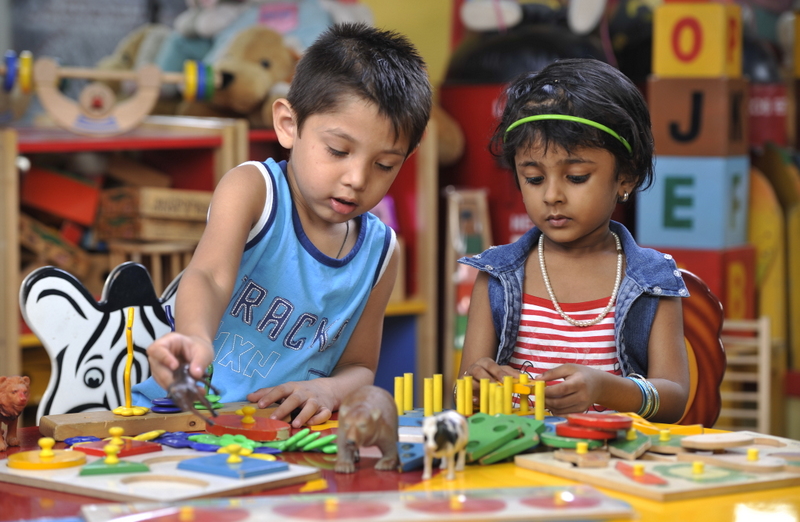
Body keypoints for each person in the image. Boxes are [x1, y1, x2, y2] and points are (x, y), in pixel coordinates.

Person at [132, 23, 432, 428]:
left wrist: (328, 390)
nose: (357, 179)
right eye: (337, 150)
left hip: (280, 436)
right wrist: (195, 338)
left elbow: (360, 366)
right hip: (183, 419)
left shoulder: (381, 253)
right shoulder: (253, 190)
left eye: (384, 165)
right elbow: (209, 276)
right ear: (289, 125)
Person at [457, 58, 690, 423]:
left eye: (577, 177)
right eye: (534, 179)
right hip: (520, 455)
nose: (552, 195)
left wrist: (606, 389)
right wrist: (475, 385)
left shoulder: (652, 280)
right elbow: (464, 393)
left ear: (626, 176)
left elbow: (674, 399)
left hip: (612, 456)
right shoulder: (497, 276)